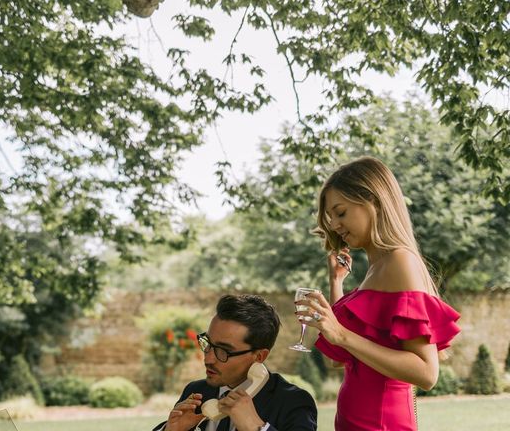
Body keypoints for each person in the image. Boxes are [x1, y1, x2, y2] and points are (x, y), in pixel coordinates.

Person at [296, 156, 461, 431]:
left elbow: (426, 373)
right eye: (330, 217)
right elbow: (338, 357)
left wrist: (342, 334)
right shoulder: (377, 268)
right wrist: (336, 283)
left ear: (373, 201)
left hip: (382, 424)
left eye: (341, 212)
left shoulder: (400, 262)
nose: (335, 225)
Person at [154, 294, 317, 431]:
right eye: (208, 344)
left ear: (260, 356)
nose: (208, 358)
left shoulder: (294, 402)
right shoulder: (196, 392)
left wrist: (256, 427)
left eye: (224, 351)